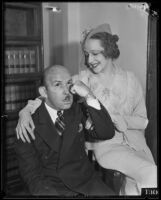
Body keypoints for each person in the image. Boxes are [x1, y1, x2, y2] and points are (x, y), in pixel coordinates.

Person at [16, 24, 157, 195]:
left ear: (110, 50)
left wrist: (119, 119)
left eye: (95, 54)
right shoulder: (81, 79)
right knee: (151, 175)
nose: (89, 60)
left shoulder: (131, 79)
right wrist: (25, 110)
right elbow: (53, 95)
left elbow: (143, 120)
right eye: (86, 54)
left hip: (136, 144)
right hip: (105, 144)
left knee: (142, 185)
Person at [14, 65, 116, 196]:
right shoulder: (27, 123)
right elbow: (32, 176)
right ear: (44, 92)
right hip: (53, 188)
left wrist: (89, 95)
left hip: (86, 183)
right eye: (58, 85)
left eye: (68, 83)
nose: (66, 92)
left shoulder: (77, 110)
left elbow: (106, 132)